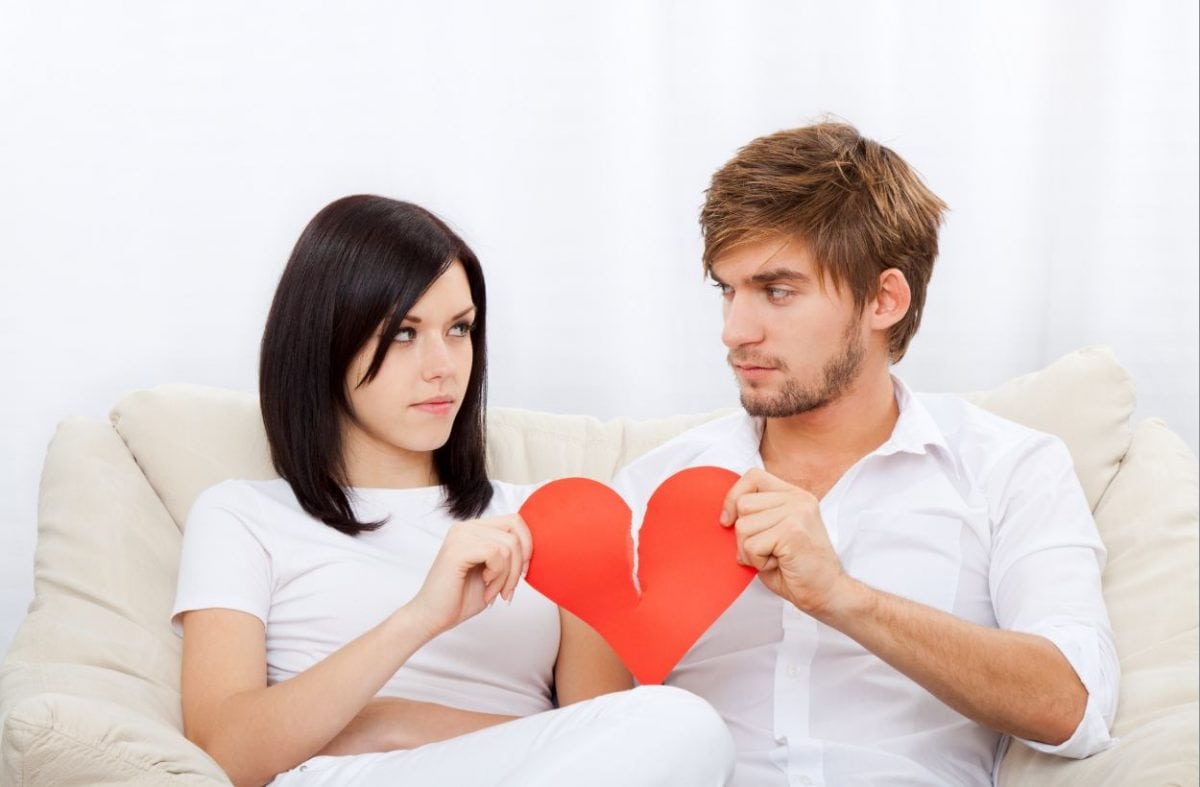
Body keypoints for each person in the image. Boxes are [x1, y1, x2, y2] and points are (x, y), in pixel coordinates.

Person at [612, 122, 1119, 786]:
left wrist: (844, 597)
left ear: (884, 299)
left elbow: (1073, 705)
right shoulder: (653, 486)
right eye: (727, 291)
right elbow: (590, 725)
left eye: (777, 291)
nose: (735, 331)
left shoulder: (1009, 469)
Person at [172, 195, 735, 786]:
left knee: (682, 723)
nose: (443, 366)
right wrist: (420, 618)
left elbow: (613, 736)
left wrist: (386, 723)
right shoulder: (241, 514)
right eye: (404, 332)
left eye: (459, 329)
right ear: (324, 341)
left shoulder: (544, 516)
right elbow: (222, 752)